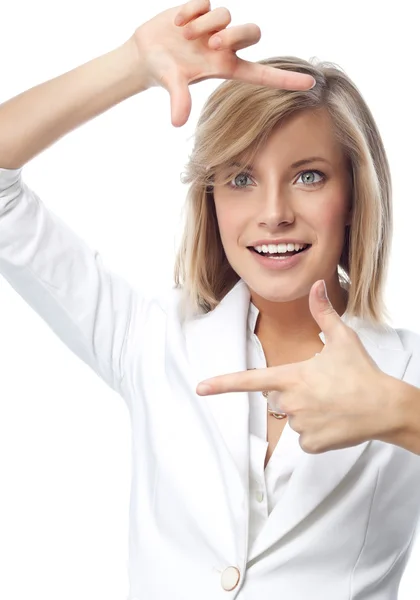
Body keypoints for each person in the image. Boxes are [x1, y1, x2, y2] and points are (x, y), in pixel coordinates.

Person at [1, 1, 420, 598]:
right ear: (212, 200)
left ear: (354, 196)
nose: (274, 214)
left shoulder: (406, 371)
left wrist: (402, 413)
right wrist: (131, 65)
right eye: (241, 179)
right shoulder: (149, 338)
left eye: (308, 176)